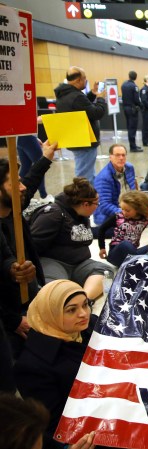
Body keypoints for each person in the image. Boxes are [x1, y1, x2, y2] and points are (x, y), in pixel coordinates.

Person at [14, 280, 97, 449]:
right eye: (71, 310)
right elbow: (54, 424)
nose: (83, 314)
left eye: (85, 305)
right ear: (51, 313)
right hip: (87, 433)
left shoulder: (89, 328)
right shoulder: (32, 366)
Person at [0, 142, 58, 356]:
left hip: (30, 299)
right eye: (14, 183)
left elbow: (31, 181)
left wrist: (46, 157)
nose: (22, 187)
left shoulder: (14, 209)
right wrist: (14, 321)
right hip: (10, 315)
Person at [29, 178, 113, 300]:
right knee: (56, 288)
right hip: (53, 262)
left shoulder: (82, 215)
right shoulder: (53, 214)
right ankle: (69, 301)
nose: (97, 207)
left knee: (105, 272)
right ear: (85, 204)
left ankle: (84, 300)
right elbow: (33, 246)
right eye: (96, 203)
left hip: (78, 264)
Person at [54, 66, 106, 183]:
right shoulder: (77, 96)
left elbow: (82, 107)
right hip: (85, 142)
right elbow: (96, 113)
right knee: (85, 178)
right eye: (84, 78)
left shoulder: (64, 95)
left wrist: (92, 94)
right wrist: (101, 99)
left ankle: (88, 199)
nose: (86, 81)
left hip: (76, 140)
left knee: (86, 174)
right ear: (78, 80)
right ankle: (85, 199)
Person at [97, 190, 148, 267]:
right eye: (122, 209)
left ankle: (139, 261)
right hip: (116, 255)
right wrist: (102, 248)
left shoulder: (144, 220)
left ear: (138, 209)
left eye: (127, 210)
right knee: (126, 243)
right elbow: (102, 229)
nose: (124, 212)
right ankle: (140, 263)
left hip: (132, 254)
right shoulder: (118, 217)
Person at [93, 144, 137, 227]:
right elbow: (104, 206)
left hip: (127, 208)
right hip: (107, 217)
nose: (121, 158)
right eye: (117, 155)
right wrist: (126, 213)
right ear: (110, 157)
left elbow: (133, 192)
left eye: (123, 155)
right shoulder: (104, 178)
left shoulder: (129, 168)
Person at [16, 136, 52, 203]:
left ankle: (22, 195)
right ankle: (43, 196)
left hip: (19, 137)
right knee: (40, 164)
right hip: (27, 136)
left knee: (26, 166)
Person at [121, 70, 143, 152]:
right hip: (132, 109)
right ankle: (133, 147)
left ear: (129, 76)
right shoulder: (134, 86)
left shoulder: (123, 85)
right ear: (135, 77)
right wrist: (141, 106)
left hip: (125, 108)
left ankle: (132, 145)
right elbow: (136, 99)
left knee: (129, 127)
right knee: (132, 128)